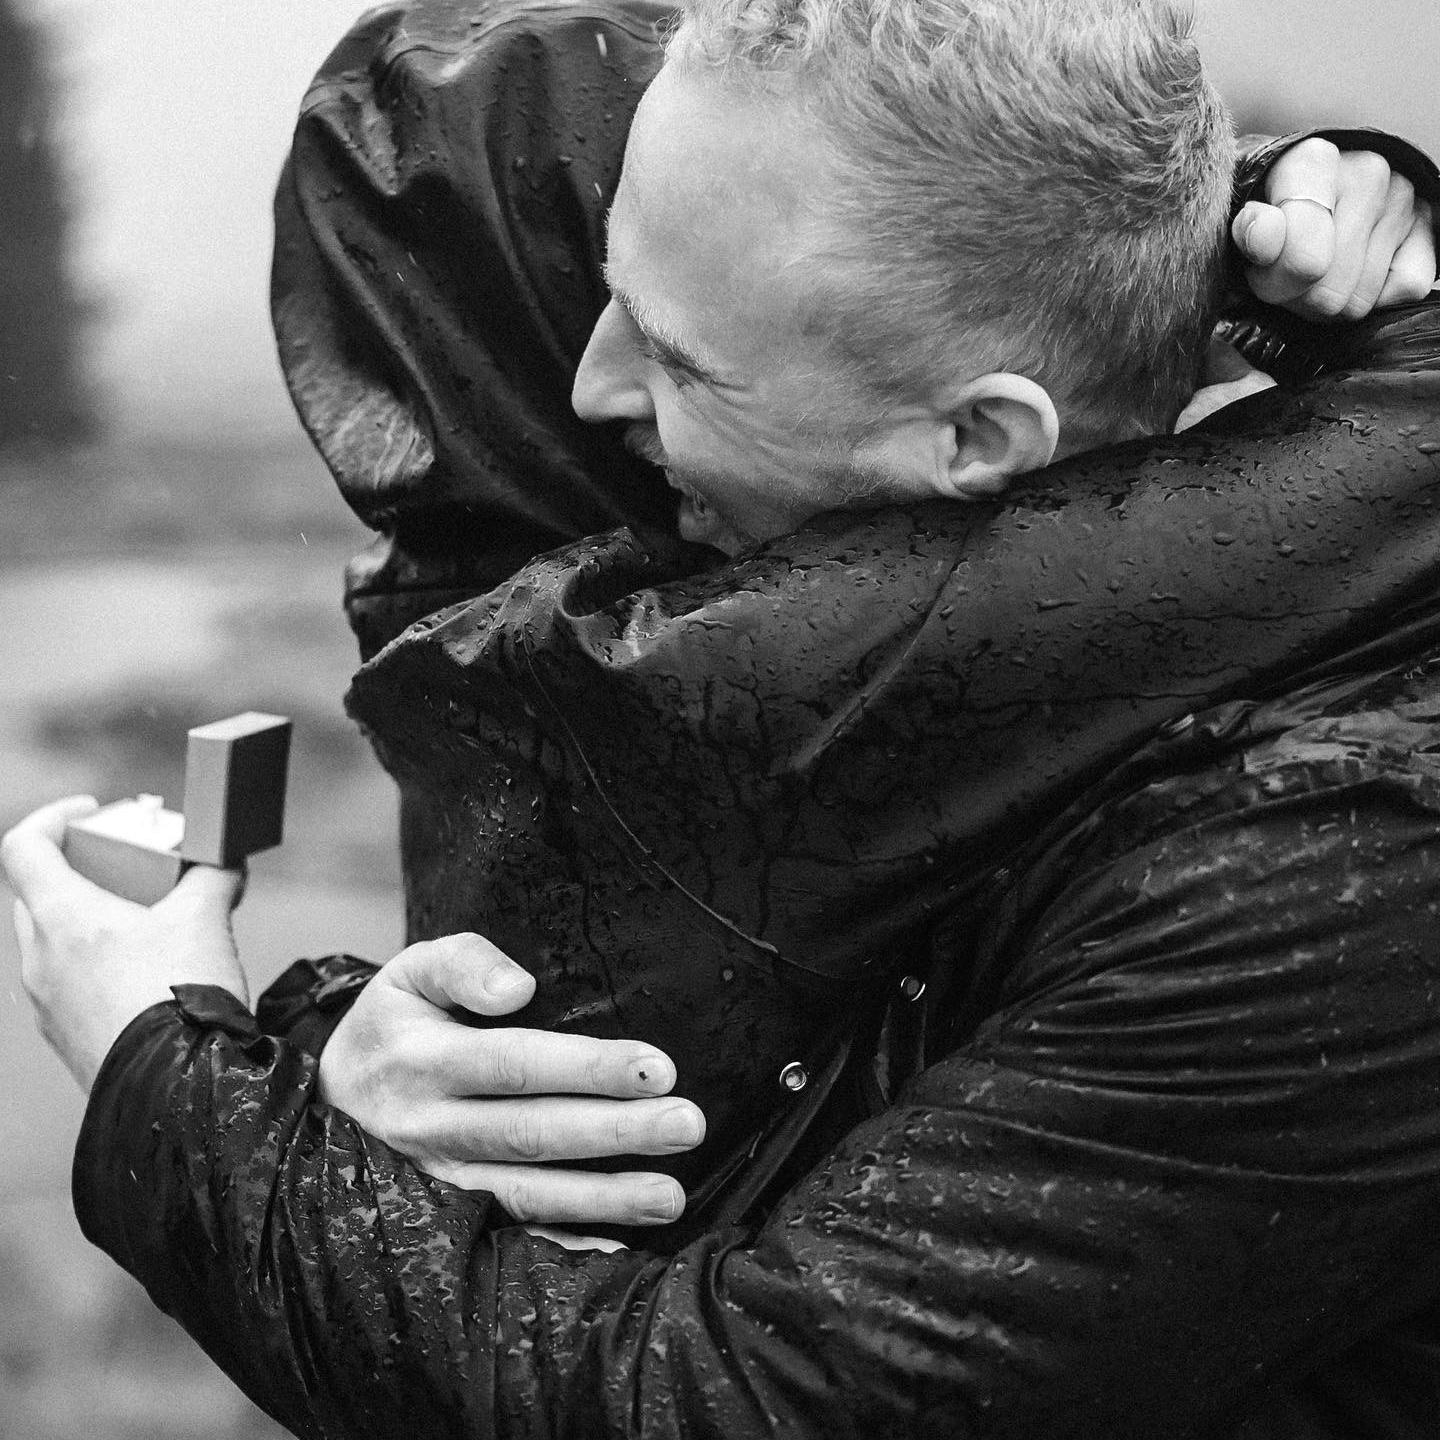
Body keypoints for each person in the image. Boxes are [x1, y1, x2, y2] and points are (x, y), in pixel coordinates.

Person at [7, 2, 1440, 1437]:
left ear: (980, 441)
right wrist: (353, 1080)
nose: (591, 386)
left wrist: (162, 1070)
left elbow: (720, 1396)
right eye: (609, 290)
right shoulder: (946, 640)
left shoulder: (1329, 868)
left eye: (680, 361)